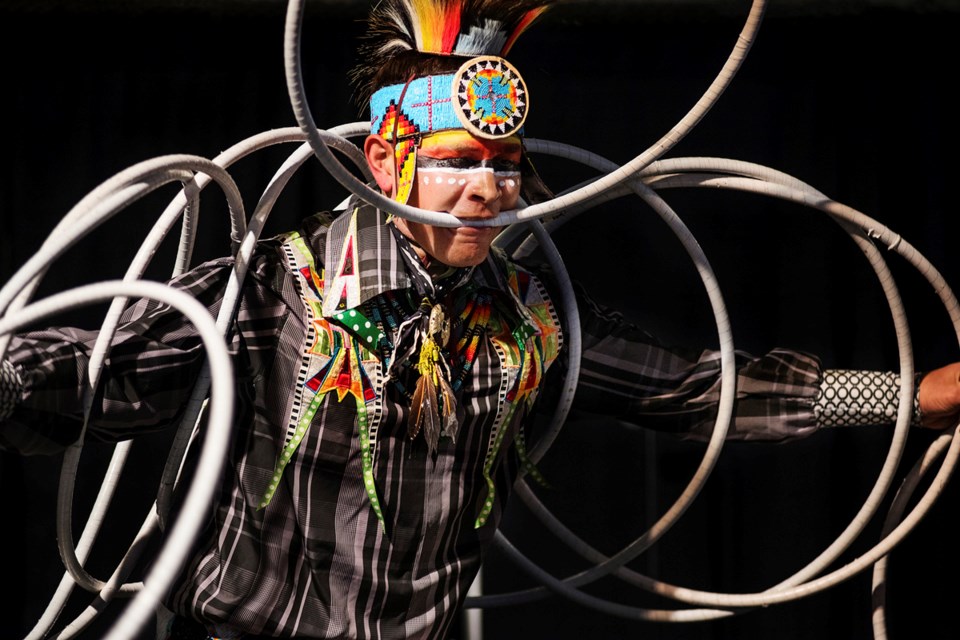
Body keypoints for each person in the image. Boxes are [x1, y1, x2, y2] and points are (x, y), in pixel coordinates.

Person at [2, 1, 960, 639]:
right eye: (460, 161)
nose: (486, 192)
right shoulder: (275, 287)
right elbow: (99, 375)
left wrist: (909, 397)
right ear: (386, 161)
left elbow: (693, 389)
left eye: (503, 167)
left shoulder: (530, 316)